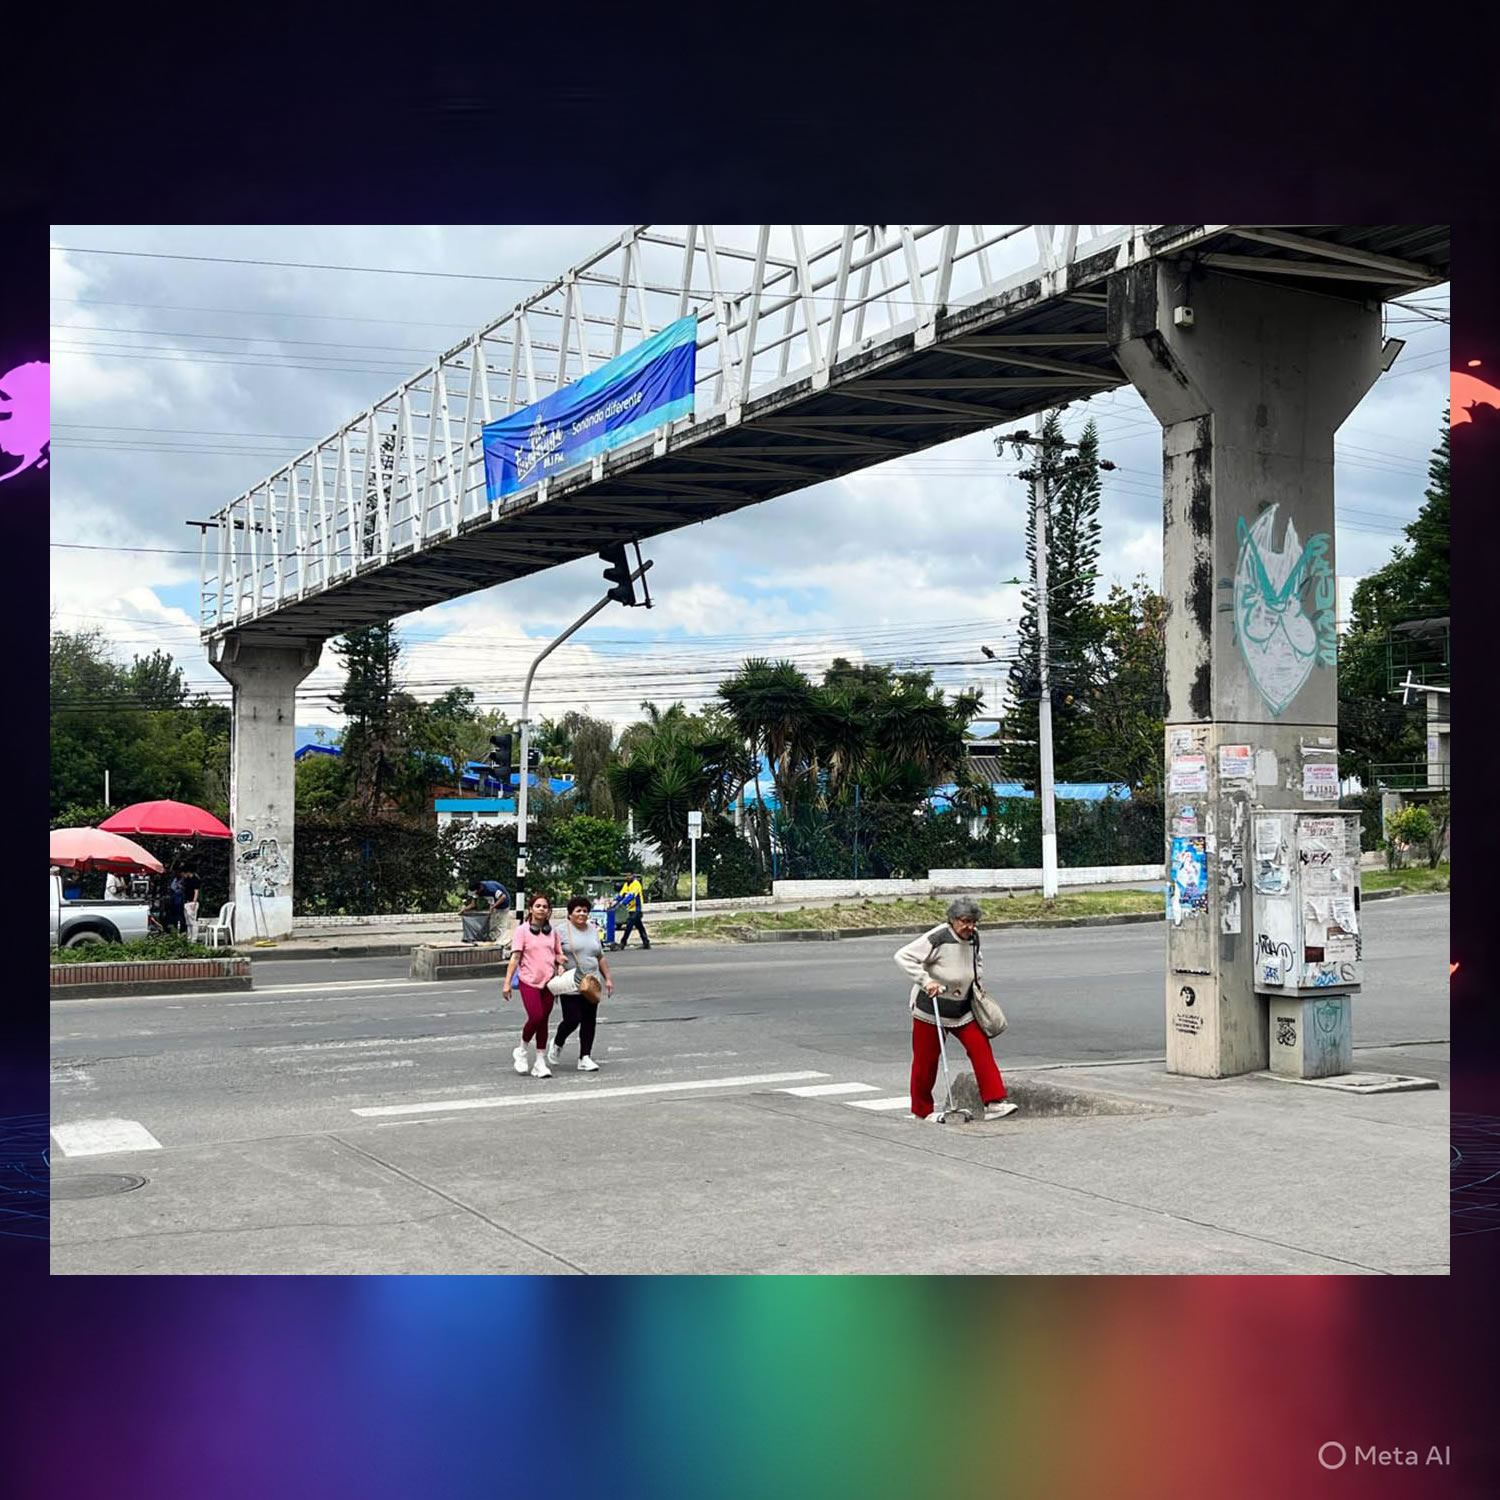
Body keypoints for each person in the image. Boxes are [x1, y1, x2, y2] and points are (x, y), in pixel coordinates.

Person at [894, 896, 1018, 1123]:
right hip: (931, 1009)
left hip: (963, 1009)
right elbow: (903, 956)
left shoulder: (974, 937)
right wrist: (926, 981)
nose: (969, 927)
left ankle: (994, 1103)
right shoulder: (939, 936)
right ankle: (922, 1111)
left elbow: (976, 961)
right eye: (965, 921)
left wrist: (978, 982)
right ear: (952, 920)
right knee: (925, 1061)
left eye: (973, 921)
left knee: (981, 1050)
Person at [548, 895, 614, 1072]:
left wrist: (607, 978)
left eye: (585, 911)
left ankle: (585, 1056)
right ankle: (558, 1042)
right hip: (570, 982)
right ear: (570, 914)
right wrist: (558, 963)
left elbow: (600, 956)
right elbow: (552, 953)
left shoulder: (593, 929)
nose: (582, 914)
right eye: (578, 911)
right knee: (572, 1019)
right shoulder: (560, 931)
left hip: (591, 982)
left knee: (589, 1020)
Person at [503, 892, 564, 1078]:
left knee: (544, 1020)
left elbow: (558, 954)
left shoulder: (553, 932)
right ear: (531, 909)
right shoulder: (522, 931)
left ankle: (540, 1061)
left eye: (545, 907)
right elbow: (515, 958)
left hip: (549, 982)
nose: (541, 909)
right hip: (528, 980)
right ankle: (521, 1050)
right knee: (536, 1016)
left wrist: (560, 964)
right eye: (538, 906)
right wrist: (507, 983)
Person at [460, 877, 510, 943]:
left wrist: (493, 906)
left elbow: (503, 897)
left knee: (500, 925)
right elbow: (473, 904)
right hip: (493, 905)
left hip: (503, 905)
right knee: (492, 924)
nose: (476, 894)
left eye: (476, 892)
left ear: (480, 888)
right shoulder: (476, 891)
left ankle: (501, 941)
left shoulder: (490, 888)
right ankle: (493, 940)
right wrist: (465, 909)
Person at [616, 871, 650, 949]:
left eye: (629, 875)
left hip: (637, 908)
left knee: (629, 925)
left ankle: (623, 943)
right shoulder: (626, 884)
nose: (628, 877)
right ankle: (646, 942)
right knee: (639, 926)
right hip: (630, 909)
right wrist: (614, 901)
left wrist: (623, 903)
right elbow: (621, 894)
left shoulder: (636, 884)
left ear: (633, 875)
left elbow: (632, 895)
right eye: (626, 876)